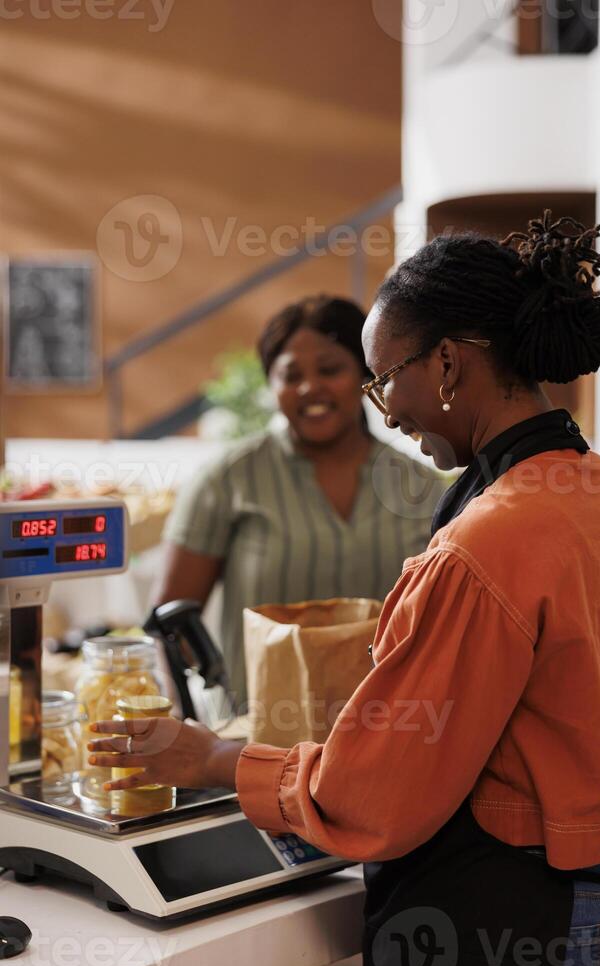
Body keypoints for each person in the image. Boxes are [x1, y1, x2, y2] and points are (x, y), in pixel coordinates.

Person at [90, 212, 600, 966]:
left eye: (385, 379)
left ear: (449, 364)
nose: (387, 411)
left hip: (518, 921)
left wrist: (216, 758)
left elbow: (375, 797)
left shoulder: (484, 544)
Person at [153, 294, 442, 709]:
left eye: (330, 369)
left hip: (389, 734)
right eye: (290, 376)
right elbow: (169, 623)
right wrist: (194, 722)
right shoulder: (226, 481)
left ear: (364, 375)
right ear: (271, 386)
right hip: (251, 742)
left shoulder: (422, 486)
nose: (310, 388)